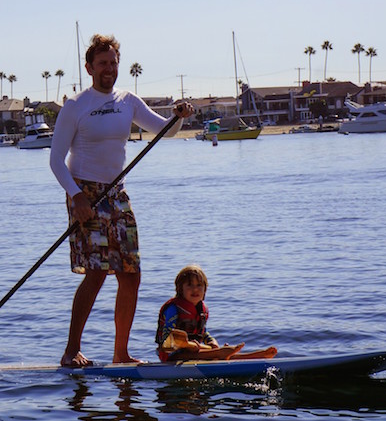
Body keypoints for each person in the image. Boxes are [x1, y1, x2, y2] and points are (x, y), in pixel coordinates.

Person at [50, 33, 195, 367]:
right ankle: (71, 351)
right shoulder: (76, 106)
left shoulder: (128, 100)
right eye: (102, 64)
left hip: (117, 195)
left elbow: (164, 130)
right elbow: (56, 161)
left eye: (113, 63)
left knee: (131, 274)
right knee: (97, 274)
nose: (109, 69)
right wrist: (76, 198)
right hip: (85, 192)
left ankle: (121, 353)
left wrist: (179, 115)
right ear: (89, 68)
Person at [155, 264, 277, 362]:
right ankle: (222, 353)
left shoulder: (201, 310)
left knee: (212, 354)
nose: (195, 289)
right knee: (213, 354)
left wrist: (211, 342)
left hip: (194, 350)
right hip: (172, 355)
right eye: (190, 285)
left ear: (205, 289)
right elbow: (167, 339)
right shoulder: (173, 308)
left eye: (199, 285)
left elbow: (202, 332)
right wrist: (189, 345)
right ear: (180, 289)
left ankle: (249, 357)